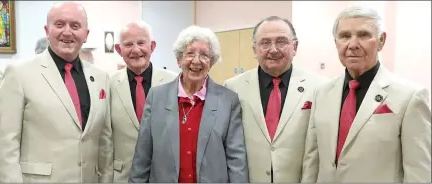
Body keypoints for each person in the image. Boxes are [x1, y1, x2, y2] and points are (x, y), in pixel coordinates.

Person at [301, 6, 431, 183]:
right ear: (336, 42)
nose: (353, 44)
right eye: (345, 36)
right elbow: (312, 159)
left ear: (381, 41)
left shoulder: (410, 97)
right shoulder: (321, 93)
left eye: (363, 35)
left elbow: (419, 172)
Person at [0, 2, 113, 183]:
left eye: (75, 26)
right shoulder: (19, 74)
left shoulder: (101, 77)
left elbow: (105, 141)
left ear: (86, 34)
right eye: (59, 24)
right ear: (47, 31)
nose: (67, 32)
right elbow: (6, 146)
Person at [128, 25, 248, 183]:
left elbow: (236, 160)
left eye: (204, 55)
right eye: (190, 53)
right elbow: (142, 156)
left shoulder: (228, 101)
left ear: (211, 62)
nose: (196, 61)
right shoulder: (157, 97)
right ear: (179, 59)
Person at [223, 16, 326, 183]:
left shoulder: (319, 87)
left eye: (281, 41)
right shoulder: (233, 87)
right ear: (254, 49)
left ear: (295, 46)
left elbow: (318, 149)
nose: (273, 49)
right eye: (265, 43)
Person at [109, 20, 177, 182]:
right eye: (128, 44)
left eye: (141, 43)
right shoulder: (108, 84)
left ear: (152, 46)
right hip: (122, 176)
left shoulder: (174, 82)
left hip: (164, 175)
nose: (136, 50)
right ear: (119, 49)